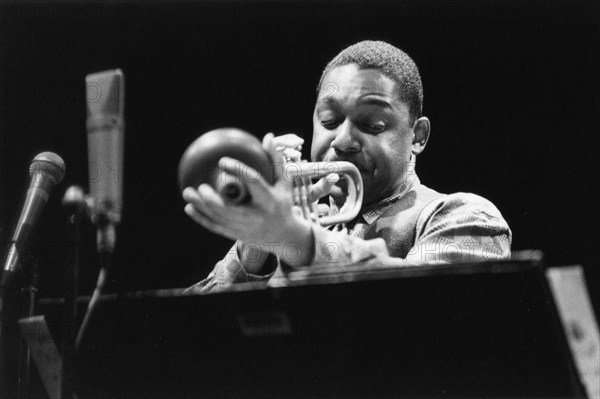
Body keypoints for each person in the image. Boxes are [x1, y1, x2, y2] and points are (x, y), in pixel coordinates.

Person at [182, 40, 511, 294]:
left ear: (418, 137)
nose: (342, 140)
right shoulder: (289, 227)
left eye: (372, 124)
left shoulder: (467, 217)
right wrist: (252, 245)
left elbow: (419, 308)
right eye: (329, 121)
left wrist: (296, 239)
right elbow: (191, 336)